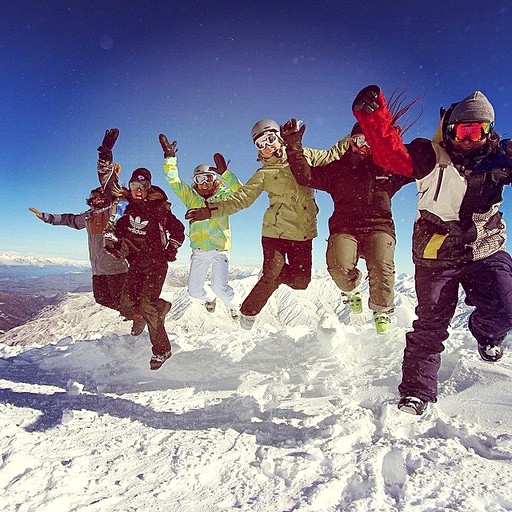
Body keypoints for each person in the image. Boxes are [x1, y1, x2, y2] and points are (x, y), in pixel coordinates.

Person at [352, 85, 512, 415]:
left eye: (476, 131)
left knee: (506, 301)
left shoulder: (502, 159)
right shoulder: (429, 156)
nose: (467, 140)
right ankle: (416, 391)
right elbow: (390, 155)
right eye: (461, 131)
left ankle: (486, 334)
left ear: (489, 132)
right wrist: (373, 118)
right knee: (431, 324)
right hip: (437, 252)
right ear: (450, 130)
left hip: (484, 247)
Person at [186, 118, 351, 330]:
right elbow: (241, 199)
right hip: (274, 233)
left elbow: (331, 155)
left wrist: (358, 134)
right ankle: (248, 310)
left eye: (270, 139)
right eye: (260, 144)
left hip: (302, 233)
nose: (266, 146)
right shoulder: (263, 174)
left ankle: (274, 274)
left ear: (281, 138)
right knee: (272, 273)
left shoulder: (305, 155)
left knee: (301, 282)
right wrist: (210, 211)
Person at [280, 118, 414, 334]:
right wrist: (294, 147)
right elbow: (306, 177)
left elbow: (416, 166)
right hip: (345, 228)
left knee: (382, 264)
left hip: (379, 228)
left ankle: (381, 310)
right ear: (351, 141)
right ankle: (351, 289)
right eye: (360, 140)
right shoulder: (338, 169)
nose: (364, 147)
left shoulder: (388, 169)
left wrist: (393, 143)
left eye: (371, 142)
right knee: (338, 266)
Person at [102, 164, 185, 370]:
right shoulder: (124, 207)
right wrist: (115, 246)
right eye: (134, 185)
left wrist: (172, 247)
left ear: (149, 187)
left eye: (143, 185)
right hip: (137, 263)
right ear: (129, 187)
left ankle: (162, 350)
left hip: (156, 264)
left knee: (147, 305)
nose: (138, 189)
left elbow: (179, 229)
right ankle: (159, 308)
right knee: (127, 304)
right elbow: (118, 232)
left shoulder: (158, 208)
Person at [159, 134, 242, 319]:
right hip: (199, 251)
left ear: (215, 179)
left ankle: (234, 305)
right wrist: (170, 159)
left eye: (207, 178)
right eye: (199, 179)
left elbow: (241, 192)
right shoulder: (191, 197)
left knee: (220, 287)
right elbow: (174, 182)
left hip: (220, 249)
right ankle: (209, 298)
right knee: (194, 291)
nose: (203, 183)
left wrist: (226, 174)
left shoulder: (224, 195)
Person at [29, 187, 129, 319]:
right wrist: (46, 217)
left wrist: (112, 180)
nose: (96, 199)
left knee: (119, 299)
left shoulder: (113, 213)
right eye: (93, 196)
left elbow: (122, 201)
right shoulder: (88, 217)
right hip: (98, 269)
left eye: (100, 196)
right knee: (101, 298)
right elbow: (69, 219)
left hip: (115, 267)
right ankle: (133, 313)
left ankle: (139, 315)